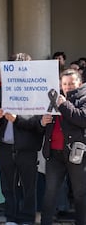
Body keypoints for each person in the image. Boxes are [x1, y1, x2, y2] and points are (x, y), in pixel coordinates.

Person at [0, 53, 45, 225]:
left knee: (29, 187)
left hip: (27, 147)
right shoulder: (0, 90)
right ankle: (11, 218)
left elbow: (38, 124)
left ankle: (27, 219)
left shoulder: (38, 90)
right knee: (8, 186)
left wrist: (17, 119)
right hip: (5, 146)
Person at [40, 68, 86, 225]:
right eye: (65, 83)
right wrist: (42, 121)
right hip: (54, 154)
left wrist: (64, 104)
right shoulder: (53, 98)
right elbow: (41, 123)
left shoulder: (84, 98)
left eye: (71, 83)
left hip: (76, 154)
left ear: (79, 83)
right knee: (50, 193)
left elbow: (82, 119)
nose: (68, 86)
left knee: (80, 193)